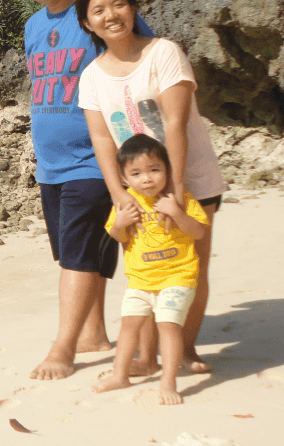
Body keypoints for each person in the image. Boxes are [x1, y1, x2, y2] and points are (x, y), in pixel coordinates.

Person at [11, 0, 153, 380]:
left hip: (97, 159)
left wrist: (146, 156)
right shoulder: (34, 27)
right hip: (50, 163)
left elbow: (145, 69)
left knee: (76, 257)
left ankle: (64, 349)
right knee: (76, 253)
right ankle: (94, 334)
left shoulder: (96, 13)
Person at [75, 0, 227, 374]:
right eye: (99, 10)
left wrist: (176, 191)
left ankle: (188, 349)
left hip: (189, 181)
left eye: (118, 4)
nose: (111, 14)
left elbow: (175, 123)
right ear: (87, 24)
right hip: (136, 191)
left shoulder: (164, 53)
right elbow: (102, 138)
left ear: (134, 7)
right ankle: (145, 357)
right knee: (144, 272)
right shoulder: (91, 76)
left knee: (190, 267)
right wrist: (118, 193)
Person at [91, 134, 209, 405]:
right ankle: (120, 375)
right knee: (128, 326)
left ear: (167, 170)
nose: (147, 178)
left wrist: (177, 212)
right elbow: (119, 237)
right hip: (140, 280)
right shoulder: (126, 203)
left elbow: (198, 233)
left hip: (178, 276)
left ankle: (168, 383)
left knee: (168, 325)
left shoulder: (180, 199)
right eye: (136, 173)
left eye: (155, 170)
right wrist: (120, 223)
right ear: (124, 179)